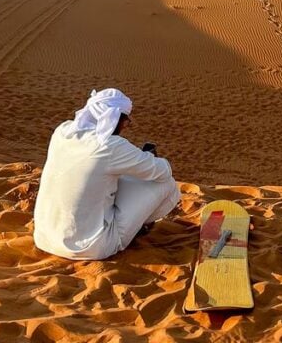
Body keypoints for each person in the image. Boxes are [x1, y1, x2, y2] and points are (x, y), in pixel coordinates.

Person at [33, 88, 180, 260]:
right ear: (114, 116)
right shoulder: (110, 146)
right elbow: (163, 171)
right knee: (167, 184)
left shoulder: (62, 131)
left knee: (114, 177)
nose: (126, 124)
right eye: (125, 118)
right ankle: (136, 228)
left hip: (44, 239)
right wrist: (148, 157)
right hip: (91, 248)